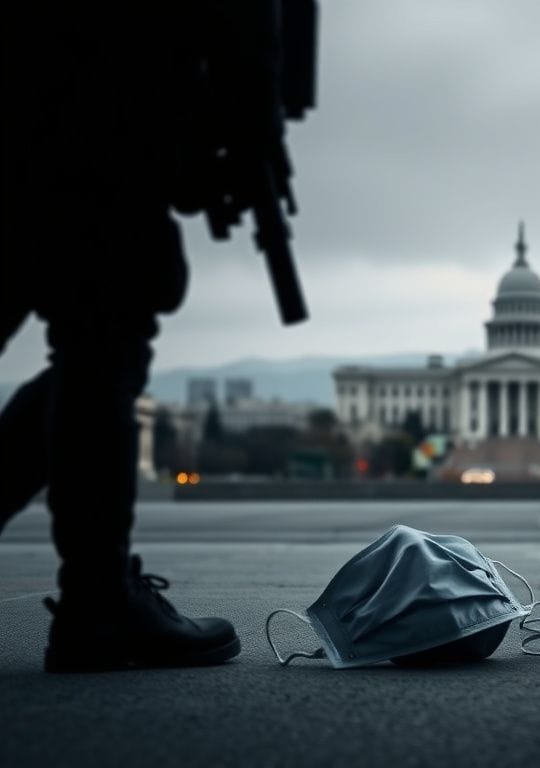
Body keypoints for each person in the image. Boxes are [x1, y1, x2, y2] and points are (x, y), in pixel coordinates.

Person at [1, 2, 313, 671]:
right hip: (104, 90)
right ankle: (99, 601)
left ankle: (100, 597)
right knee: (104, 328)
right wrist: (250, 107)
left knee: (97, 334)